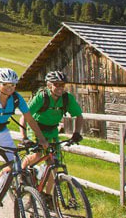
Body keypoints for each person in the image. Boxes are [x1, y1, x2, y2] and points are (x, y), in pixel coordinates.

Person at [0, 67, 46, 218]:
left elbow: (30, 120)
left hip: (2, 132)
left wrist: (41, 139)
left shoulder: (16, 98)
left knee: (15, 164)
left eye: (13, 85)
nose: (10, 88)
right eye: (6, 84)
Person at [22, 70, 84, 205]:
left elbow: (79, 116)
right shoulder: (41, 97)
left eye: (62, 85)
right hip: (36, 128)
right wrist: (24, 137)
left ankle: (47, 195)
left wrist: (76, 133)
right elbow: (25, 115)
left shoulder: (67, 99)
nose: (60, 87)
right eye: (57, 84)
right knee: (36, 156)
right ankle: (22, 173)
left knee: (54, 165)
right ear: (49, 85)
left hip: (52, 131)